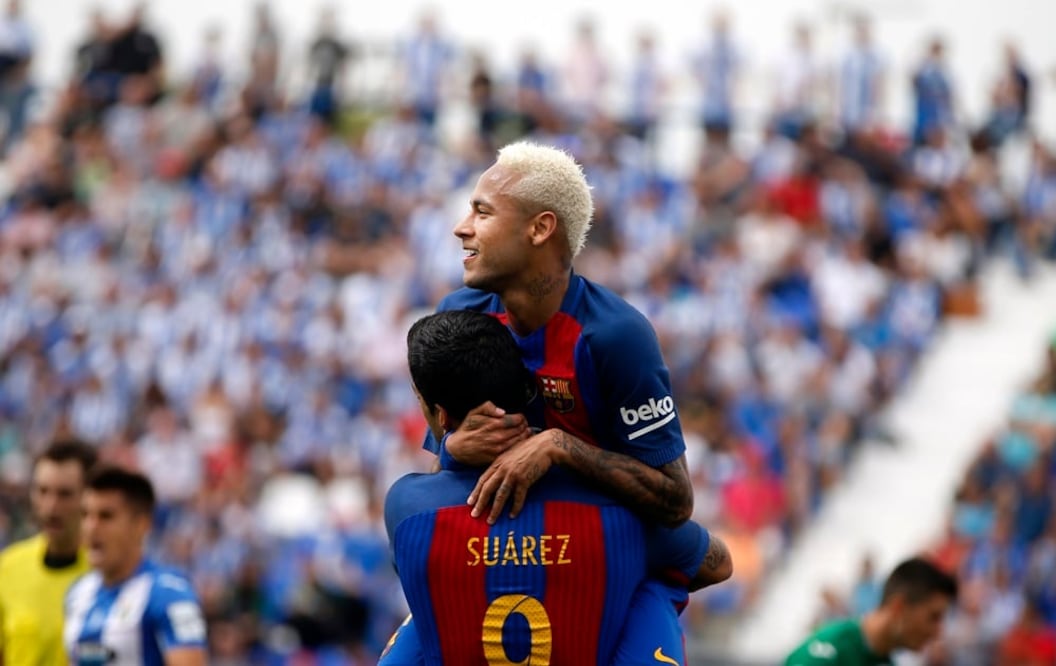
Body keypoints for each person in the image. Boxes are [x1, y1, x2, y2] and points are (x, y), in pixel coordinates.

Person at [380, 310, 732, 664]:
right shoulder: (619, 513)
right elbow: (718, 564)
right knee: (651, 585)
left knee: (426, 610)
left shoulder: (406, 507)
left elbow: (438, 489)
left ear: (440, 415)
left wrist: (450, 450)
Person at [429, 140, 694, 531]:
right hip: (504, 542)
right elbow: (440, 466)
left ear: (539, 229)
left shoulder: (616, 335)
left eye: (482, 212)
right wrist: (452, 448)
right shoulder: (458, 316)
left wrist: (560, 446)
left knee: (710, 556)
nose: (461, 227)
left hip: (605, 545)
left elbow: (676, 501)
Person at [64, 466, 208, 666]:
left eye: (106, 516)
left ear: (141, 525)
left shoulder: (169, 594)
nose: (91, 527)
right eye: (86, 515)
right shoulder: (77, 593)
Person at [0, 439, 98, 665]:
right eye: (42, 491)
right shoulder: (8, 568)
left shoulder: (109, 574)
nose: (51, 507)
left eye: (65, 494)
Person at [784, 557, 958, 665]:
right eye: (933, 617)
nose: (938, 631)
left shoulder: (883, 659)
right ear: (899, 607)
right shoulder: (826, 653)